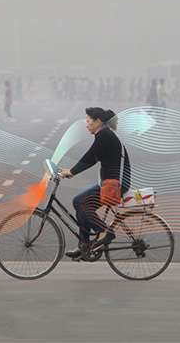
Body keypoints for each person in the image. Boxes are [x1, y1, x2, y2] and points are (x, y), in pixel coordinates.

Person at [59, 107, 131, 260]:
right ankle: (84, 245)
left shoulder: (104, 135)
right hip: (110, 183)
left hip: (115, 185)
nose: (87, 125)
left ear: (98, 121)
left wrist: (71, 172)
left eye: (88, 122)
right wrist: (71, 170)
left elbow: (90, 156)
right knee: (82, 204)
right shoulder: (104, 135)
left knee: (78, 201)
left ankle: (105, 231)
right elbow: (92, 158)